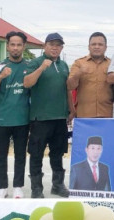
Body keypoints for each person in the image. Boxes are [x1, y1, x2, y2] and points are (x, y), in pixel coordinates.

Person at [24, 32, 75, 198]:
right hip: (40, 119)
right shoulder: (35, 63)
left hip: (60, 118)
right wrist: (41, 68)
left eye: (58, 45)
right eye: (51, 44)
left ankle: (58, 185)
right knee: (36, 154)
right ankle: (36, 189)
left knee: (58, 154)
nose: (55, 48)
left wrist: (71, 109)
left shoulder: (64, 66)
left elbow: (67, 89)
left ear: (61, 48)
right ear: (44, 46)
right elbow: (27, 83)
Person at [0, 31, 31, 199]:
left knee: (20, 154)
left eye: (19, 44)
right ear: (7, 46)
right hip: (2, 119)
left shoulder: (29, 66)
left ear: (23, 46)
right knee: (1, 155)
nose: (15, 48)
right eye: (12, 44)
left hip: (22, 118)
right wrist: (0, 77)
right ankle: (2, 187)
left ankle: (18, 186)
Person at [67, 32, 114, 118]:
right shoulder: (79, 63)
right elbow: (70, 86)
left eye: (100, 44)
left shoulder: (112, 64)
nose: (97, 47)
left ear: (105, 47)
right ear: (89, 47)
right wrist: (79, 73)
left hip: (107, 115)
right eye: (93, 44)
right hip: (84, 116)